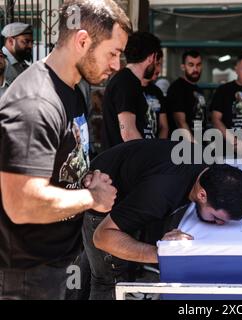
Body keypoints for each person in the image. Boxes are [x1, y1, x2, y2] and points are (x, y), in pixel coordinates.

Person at [0, 0, 131, 300]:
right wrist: (92, 197)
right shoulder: (36, 103)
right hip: (26, 273)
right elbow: (21, 203)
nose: (115, 65)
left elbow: (61, 164)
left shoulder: (71, 92)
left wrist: (85, 177)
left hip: (61, 263)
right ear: (82, 40)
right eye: (113, 53)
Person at [82, 139, 242, 299]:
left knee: (128, 266)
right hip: (100, 200)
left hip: (132, 183)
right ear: (202, 194)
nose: (218, 224)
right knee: (110, 281)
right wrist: (163, 253)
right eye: (216, 218)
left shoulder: (209, 168)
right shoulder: (160, 194)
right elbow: (102, 236)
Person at [102, 32, 167, 150]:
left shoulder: (131, 82)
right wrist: (151, 160)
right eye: (157, 60)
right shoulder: (125, 83)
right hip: (123, 164)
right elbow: (128, 133)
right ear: (152, 57)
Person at [166, 50, 206, 142]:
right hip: (182, 147)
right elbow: (180, 122)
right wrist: (195, 147)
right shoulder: (177, 88)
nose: (195, 69)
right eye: (191, 65)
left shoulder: (198, 90)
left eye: (198, 65)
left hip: (198, 144)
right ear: (183, 67)